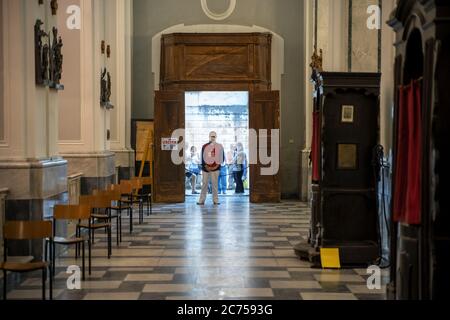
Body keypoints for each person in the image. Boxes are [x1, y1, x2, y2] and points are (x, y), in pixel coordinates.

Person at [197, 132, 225, 206]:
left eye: (214, 136)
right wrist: (206, 166)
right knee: (204, 184)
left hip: (216, 168)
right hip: (206, 169)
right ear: (209, 137)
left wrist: (215, 166)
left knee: (215, 185)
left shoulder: (220, 146)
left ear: (216, 137)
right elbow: (202, 157)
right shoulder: (204, 146)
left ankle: (216, 200)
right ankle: (201, 200)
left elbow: (222, 158)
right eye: (211, 136)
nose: (212, 138)